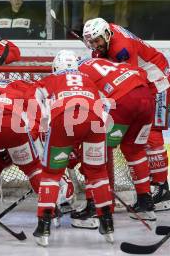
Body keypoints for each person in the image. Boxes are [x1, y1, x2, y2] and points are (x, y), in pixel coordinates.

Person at [83, 18, 170, 212]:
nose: (95, 45)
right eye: (92, 42)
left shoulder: (122, 48)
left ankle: (161, 186)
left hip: (158, 80)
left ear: (106, 34)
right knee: (139, 141)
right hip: (145, 81)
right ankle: (154, 185)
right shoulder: (108, 33)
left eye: (97, 41)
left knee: (152, 134)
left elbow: (130, 76)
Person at [32, 51, 114, 247]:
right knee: (98, 173)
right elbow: (106, 104)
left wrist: (44, 122)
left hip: (64, 118)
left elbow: (36, 100)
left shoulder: (52, 78)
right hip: (95, 121)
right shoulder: (89, 79)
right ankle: (107, 223)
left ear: (56, 66)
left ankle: (43, 226)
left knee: (51, 174)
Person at [73, 51, 156, 223]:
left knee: (95, 151)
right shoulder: (115, 64)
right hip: (147, 99)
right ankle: (145, 201)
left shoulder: (78, 72)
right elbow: (144, 75)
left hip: (123, 101)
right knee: (135, 150)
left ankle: (96, 204)